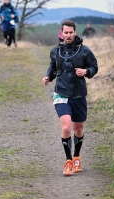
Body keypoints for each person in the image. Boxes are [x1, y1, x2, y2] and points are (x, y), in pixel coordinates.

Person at [42, 20, 98, 176]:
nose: (68, 35)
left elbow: (94, 66)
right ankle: (68, 161)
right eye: (65, 32)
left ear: (75, 32)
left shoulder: (84, 50)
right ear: (62, 33)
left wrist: (86, 71)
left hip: (78, 94)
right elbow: (53, 67)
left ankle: (76, 156)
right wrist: (47, 77)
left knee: (78, 128)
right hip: (61, 92)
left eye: (70, 32)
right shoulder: (55, 51)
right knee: (66, 127)